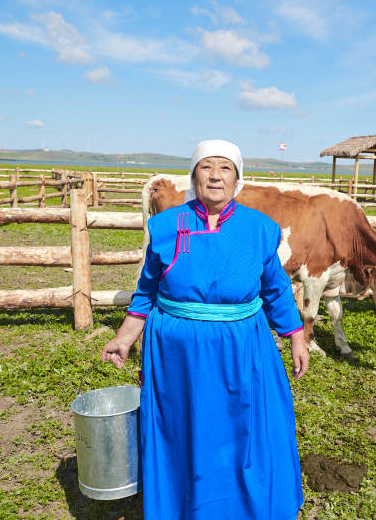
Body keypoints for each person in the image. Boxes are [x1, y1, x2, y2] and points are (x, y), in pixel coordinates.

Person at [102, 139, 309, 519]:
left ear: (237, 178)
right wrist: (125, 336)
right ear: (193, 175)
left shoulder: (260, 228)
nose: (215, 176)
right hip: (178, 356)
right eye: (206, 167)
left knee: (242, 428)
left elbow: (275, 288)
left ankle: (245, 505)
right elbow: (147, 288)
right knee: (187, 430)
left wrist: (296, 336)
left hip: (241, 347)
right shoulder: (165, 226)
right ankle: (186, 504)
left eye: (225, 168)